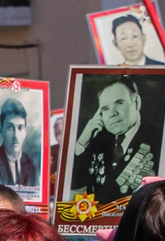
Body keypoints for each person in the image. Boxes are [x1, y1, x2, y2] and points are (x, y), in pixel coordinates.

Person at [68, 77, 159, 207]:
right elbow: (75, 182)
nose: (112, 113)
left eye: (119, 103)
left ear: (136, 102)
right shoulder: (99, 140)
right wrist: (82, 141)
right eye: (105, 108)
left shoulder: (156, 138)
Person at [0, 95, 39, 195]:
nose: (16, 136)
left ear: (25, 131)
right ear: (1, 130)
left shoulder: (32, 164)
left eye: (20, 128)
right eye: (10, 128)